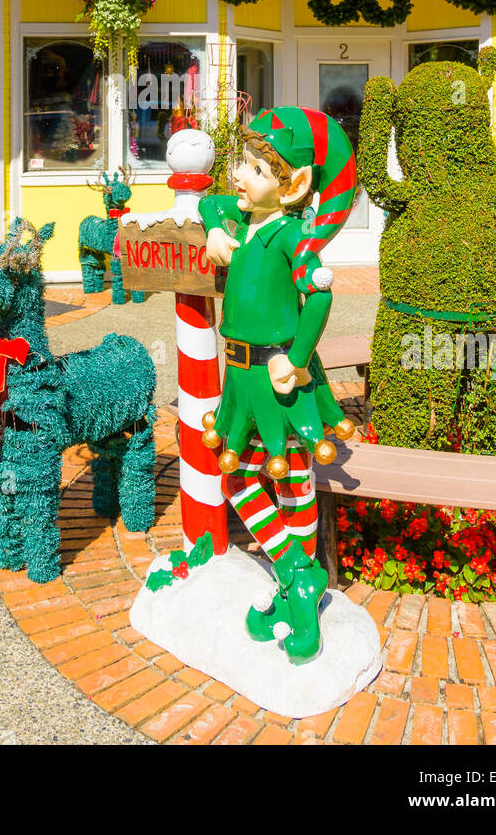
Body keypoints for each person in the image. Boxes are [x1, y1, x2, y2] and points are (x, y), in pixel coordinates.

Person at [198, 106, 358, 662]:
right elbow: (208, 201)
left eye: (256, 170)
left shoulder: (294, 236)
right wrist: (217, 227)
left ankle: (298, 594)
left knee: (292, 481)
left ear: (293, 186)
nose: (239, 176)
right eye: (242, 163)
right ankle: (298, 575)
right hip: (239, 378)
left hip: (277, 378)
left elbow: (320, 294)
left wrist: (295, 357)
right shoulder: (242, 221)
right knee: (236, 480)